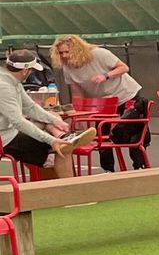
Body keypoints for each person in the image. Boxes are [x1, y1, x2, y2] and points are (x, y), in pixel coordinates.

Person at [50, 35, 151, 171]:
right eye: (61, 53)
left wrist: (105, 76)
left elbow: (123, 68)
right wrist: (78, 116)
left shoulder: (99, 54)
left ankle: (140, 166)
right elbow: (77, 93)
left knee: (131, 132)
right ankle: (108, 169)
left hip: (126, 95)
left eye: (67, 52)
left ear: (77, 49)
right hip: (104, 103)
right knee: (101, 135)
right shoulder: (67, 68)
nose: (64, 55)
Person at [3, 48, 93, 179]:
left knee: (50, 118)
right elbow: (18, 121)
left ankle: (62, 135)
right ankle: (71, 191)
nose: (30, 73)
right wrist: (50, 140)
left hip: (10, 133)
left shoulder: (12, 82)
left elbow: (30, 107)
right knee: (63, 148)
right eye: (31, 70)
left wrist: (56, 121)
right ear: (25, 70)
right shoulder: (4, 87)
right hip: (5, 140)